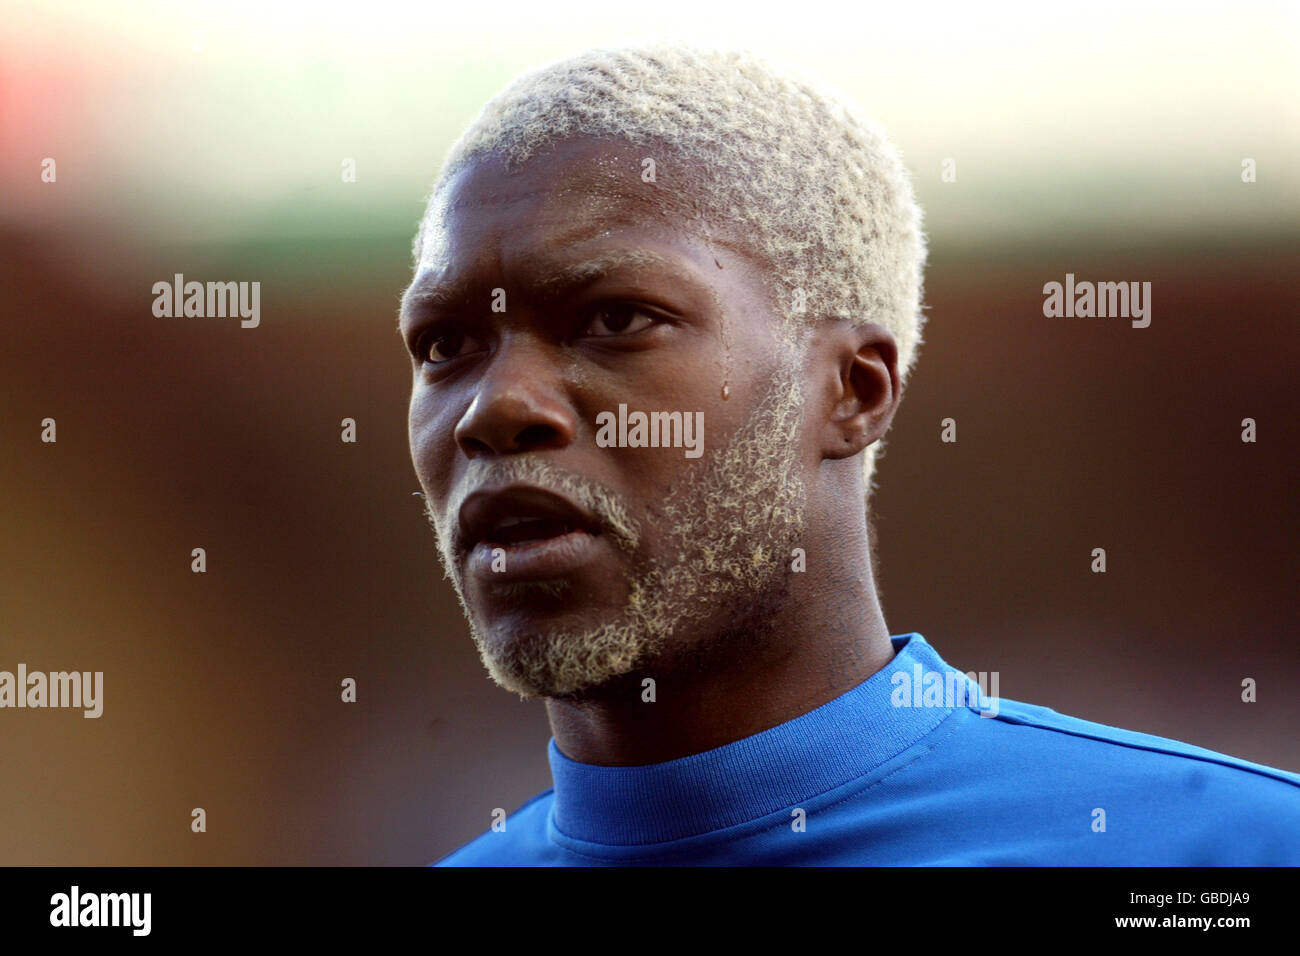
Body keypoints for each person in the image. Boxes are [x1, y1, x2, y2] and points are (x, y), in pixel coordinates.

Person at [398, 44, 1300, 865]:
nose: (496, 407)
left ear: (853, 391)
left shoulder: (1215, 859)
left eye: (616, 319)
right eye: (444, 345)